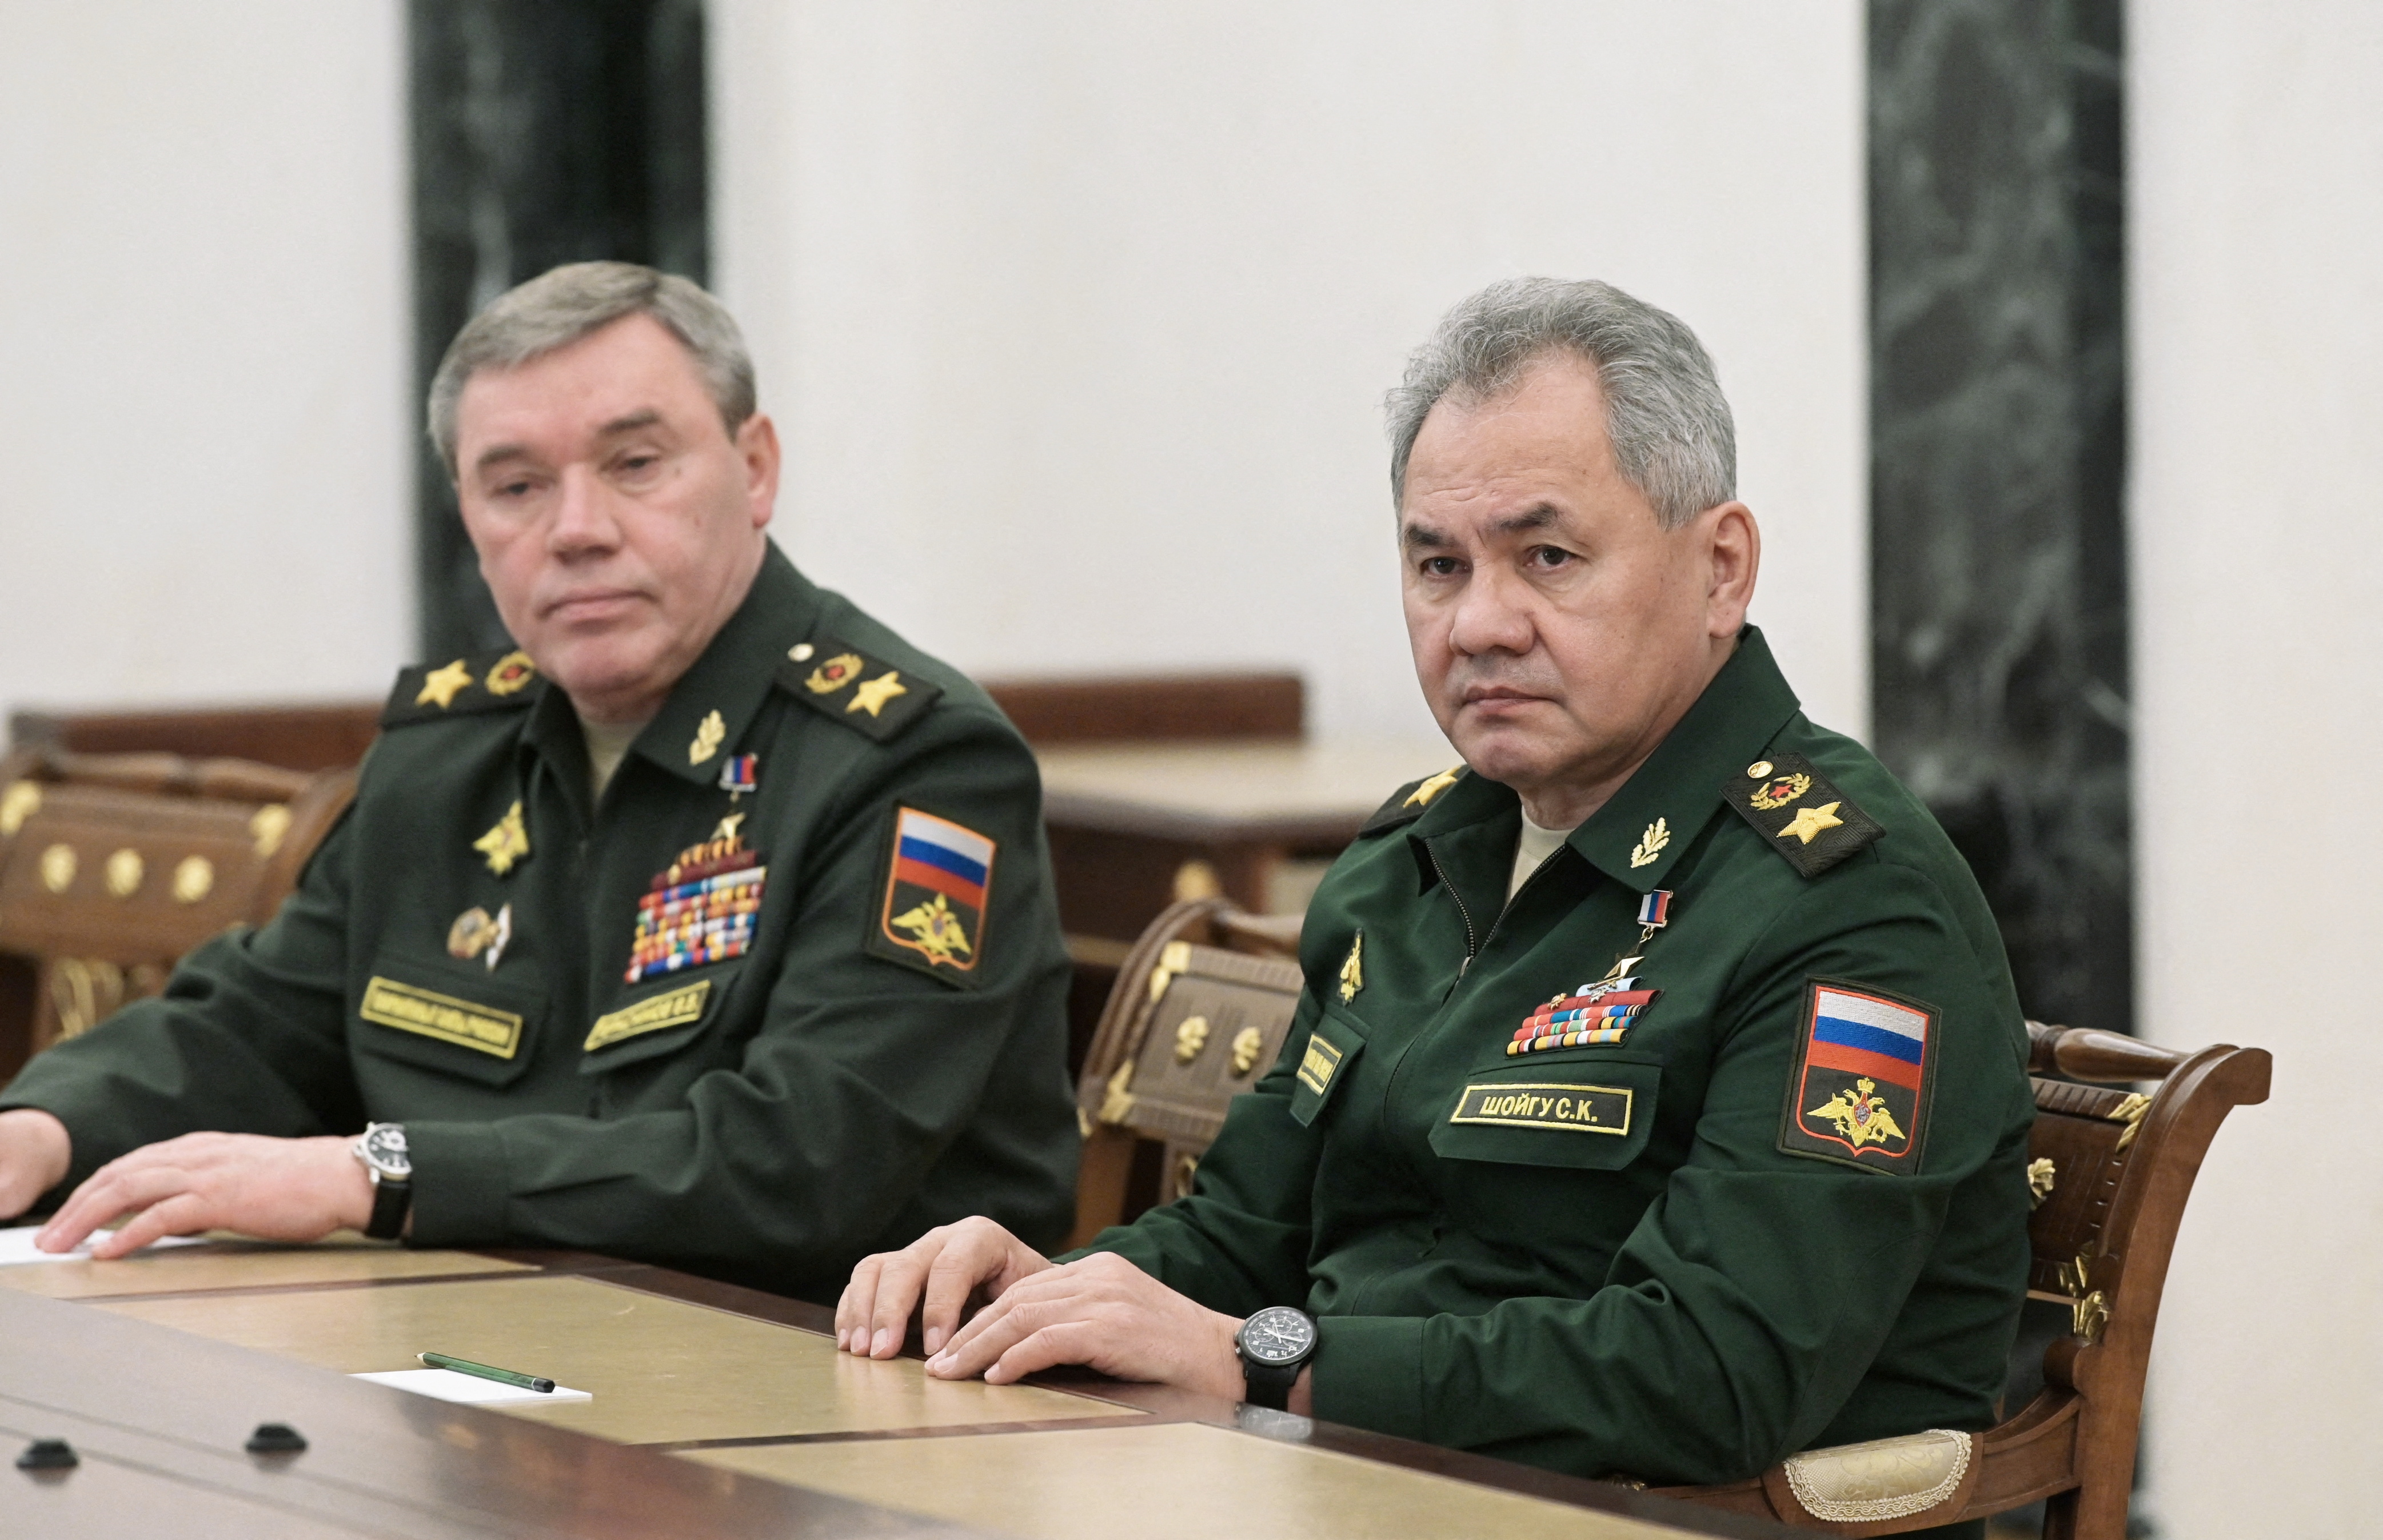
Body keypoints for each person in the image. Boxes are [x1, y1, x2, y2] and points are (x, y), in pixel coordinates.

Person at [835, 277, 2035, 1498]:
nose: (1481, 624)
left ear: (1721, 569)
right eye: (1438, 565)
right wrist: (1044, 1294)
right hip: (1347, 1491)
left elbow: (1708, 1373)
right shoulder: (1415, 860)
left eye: (1547, 557)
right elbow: (1245, 1235)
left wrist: (1260, 1365)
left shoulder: (1847, 900)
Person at [0, 262, 1079, 1301]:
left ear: (755, 469)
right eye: (516, 486)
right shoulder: (451, 751)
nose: (576, 530)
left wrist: (373, 1176)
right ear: (468, 519)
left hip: (822, 1389)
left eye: (635, 464)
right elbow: (266, 1022)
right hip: (472, 1349)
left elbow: (800, 1165)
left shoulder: (911, 763)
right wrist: (47, 1125)